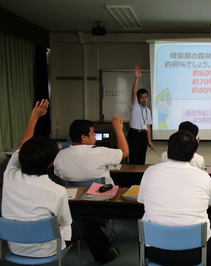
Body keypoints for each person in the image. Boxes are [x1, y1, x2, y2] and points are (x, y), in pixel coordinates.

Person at [2, 100, 119, 264]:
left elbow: (23, 146)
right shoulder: (55, 191)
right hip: (46, 248)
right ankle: (103, 255)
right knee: (87, 224)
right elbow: (65, 222)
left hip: (15, 245)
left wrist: (34, 117)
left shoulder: (9, 176)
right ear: (50, 163)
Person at [138, 130, 211, 266]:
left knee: (142, 231)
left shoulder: (150, 172)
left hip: (155, 251)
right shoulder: (203, 176)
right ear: (193, 155)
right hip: (194, 253)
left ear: (168, 148)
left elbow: (141, 200)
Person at [54, 115, 128, 185]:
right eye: (92, 133)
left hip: (73, 196)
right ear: (84, 137)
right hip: (102, 196)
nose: (95, 135)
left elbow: (57, 174)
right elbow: (124, 152)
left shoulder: (60, 155)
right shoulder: (100, 152)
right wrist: (118, 130)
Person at [128, 65, 153, 165]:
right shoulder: (135, 106)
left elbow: (148, 126)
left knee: (142, 158)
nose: (144, 99)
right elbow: (133, 92)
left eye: (146, 97)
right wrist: (137, 78)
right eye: (142, 97)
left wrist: (149, 140)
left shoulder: (148, 110)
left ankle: (139, 178)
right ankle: (132, 179)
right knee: (134, 157)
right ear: (138, 98)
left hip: (143, 134)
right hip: (134, 134)